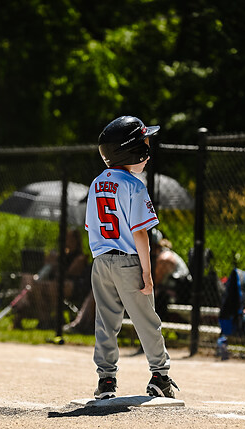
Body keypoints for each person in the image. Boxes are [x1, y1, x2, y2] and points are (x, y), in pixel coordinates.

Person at [85, 115, 179, 400]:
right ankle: (160, 376)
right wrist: (147, 274)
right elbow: (141, 235)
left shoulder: (96, 183)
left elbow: (92, 228)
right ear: (132, 151)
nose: (148, 152)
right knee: (146, 319)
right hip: (128, 261)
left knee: (105, 322)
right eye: (144, 145)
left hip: (100, 263)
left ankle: (106, 382)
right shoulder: (135, 186)